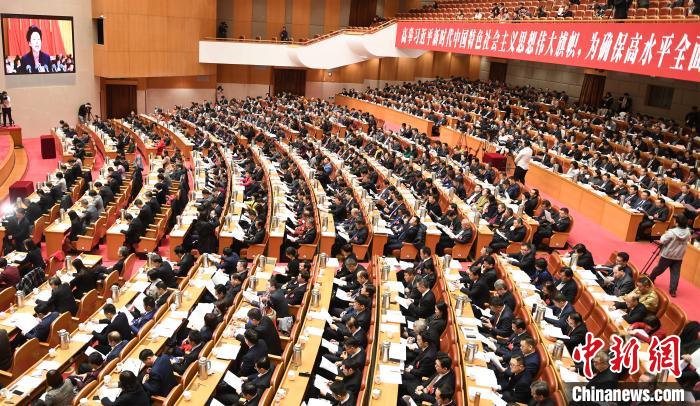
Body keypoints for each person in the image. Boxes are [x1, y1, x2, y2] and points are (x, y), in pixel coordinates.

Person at [648, 215, 692, 297]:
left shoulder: (672, 232)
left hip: (667, 255)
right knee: (675, 273)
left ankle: (651, 278)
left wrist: (664, 234)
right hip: (679, 256)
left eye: (675, 220)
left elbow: (662, 240)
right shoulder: (688, 232)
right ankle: (673, 291)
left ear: (677, 223)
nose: (674, 221)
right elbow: (688, 240)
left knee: (659, 269)